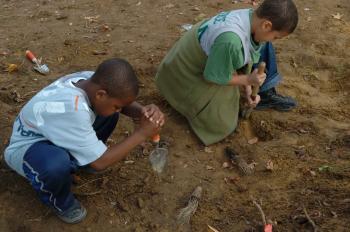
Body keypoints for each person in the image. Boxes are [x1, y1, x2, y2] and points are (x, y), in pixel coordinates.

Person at [4, 58, 165, 223]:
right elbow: (101, 162)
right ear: (101, 94)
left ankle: (82, 160)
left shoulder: (90, 80)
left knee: (108, 113)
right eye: (118, 105)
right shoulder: (74, 110)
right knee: (55, 165)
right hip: (27, 150)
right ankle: (61, 203)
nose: (120, 109)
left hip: (55, 132)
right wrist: (141, 134)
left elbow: (121, 102)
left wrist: (142, 112)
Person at [155, 0, 298, 145]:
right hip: (183, 75)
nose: (274, 40)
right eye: (276, 37)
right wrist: (248, 80)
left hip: (214, 56)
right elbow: (212, 77)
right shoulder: (231, 40)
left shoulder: (251, 17)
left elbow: (245, 55)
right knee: (224, 124)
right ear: (266, 25)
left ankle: (265, 94)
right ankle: (182, 100)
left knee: (265, 47)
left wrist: (248, 90)